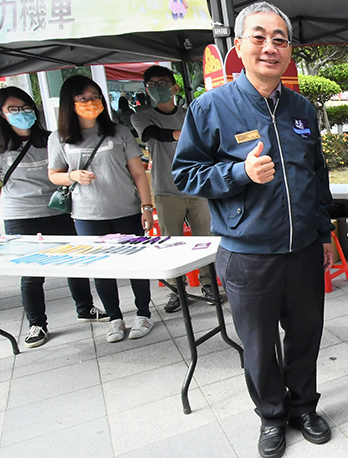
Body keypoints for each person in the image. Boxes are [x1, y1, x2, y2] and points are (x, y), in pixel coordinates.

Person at [172, 1, 335, 458]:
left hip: (304, 249)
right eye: (259, 37)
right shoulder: (210, 108)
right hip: (248, 254)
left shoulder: (302, 108)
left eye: (280, 39)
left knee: (305, 337)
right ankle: (271, 416)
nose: (270, 47)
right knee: (259, 347)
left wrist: (324, 233)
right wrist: (239, 173)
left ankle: (304, 407)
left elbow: (317, 175)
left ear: (289, 51)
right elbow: (185, 175)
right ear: (239, 47)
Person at [47, 76, 155, 343]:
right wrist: (72, 176)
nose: (91, 102)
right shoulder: (59, 138)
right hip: (88, 214)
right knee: (102, 269)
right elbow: (54, 175)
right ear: (69, 103)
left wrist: (146, 207)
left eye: (95, 96)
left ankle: (143, 313)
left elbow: (139, 174)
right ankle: (115, 318)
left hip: (126, 209)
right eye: (83, 98)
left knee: (136, 265)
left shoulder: (119, 132)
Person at [0, 87, 108, 348]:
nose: (22, 113)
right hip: (21, 215)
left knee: (75, 261)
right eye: (13, 109)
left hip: (58, 210)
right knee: (31, 273)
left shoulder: (51, 139)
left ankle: (85, 308)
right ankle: (37, 323)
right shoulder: (2, 147)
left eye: (26, 108)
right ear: (2, 114)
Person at [131, 65, 218, 313]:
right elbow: (155, 134)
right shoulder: (142, 117)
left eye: (162, 84)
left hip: (198, 187)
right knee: (170, 243)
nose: (157, 89)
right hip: (166, 189)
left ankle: (209, 284)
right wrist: (186, 133)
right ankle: (177, 290)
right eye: (152, 85)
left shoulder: (190, 113)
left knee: (205, 240)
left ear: (175, 87)